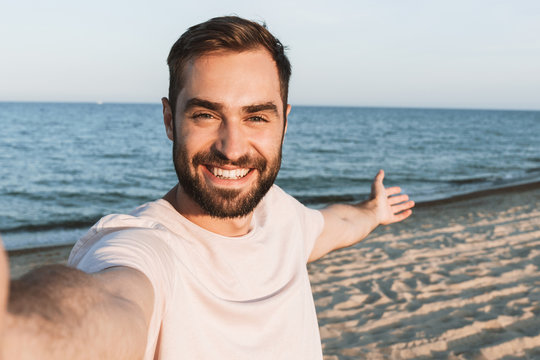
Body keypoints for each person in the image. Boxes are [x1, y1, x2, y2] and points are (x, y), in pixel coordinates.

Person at [0, 16, 414, 359]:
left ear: (284, 122)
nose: (231, 149)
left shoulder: (280, 211)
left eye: (256, 117)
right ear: (169, 119)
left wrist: (374, 211)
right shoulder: (145, 247)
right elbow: (113, 302)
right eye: (205, 115)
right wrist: (26, 331)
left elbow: (333, 224)